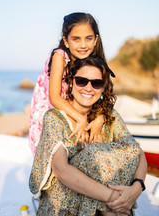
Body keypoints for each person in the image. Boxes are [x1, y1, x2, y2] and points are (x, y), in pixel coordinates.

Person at [29, 56, 147, 216]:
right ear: (71, 82)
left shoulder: (108, 116)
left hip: (99, 203)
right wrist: (115, 199)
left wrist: (135, 189)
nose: (89, 88)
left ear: (103, 88)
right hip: (63, 205)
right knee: (97, 155)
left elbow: (137, 152)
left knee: (124, 151)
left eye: (96, 83)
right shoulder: (54, 118)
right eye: (81, 81)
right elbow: (61, 170)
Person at [29, 12, 115, 155]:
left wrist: (100, 118)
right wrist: (81, 118)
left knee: (88, 140)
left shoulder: (93, 61)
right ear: (66, 41)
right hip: (50, 111)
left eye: (88, 38)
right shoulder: (60, 56)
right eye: (76, 39)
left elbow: (102, 94)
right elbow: (54, 98)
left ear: (96, 39)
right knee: (58, 153)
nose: (83, 45)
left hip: (73, 109)